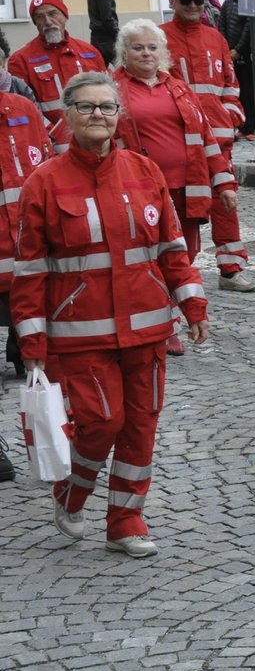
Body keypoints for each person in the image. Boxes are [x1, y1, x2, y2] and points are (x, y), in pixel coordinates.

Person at [13, 71, 209, 558]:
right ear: (67, 115)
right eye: (87, 107)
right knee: (102, 422)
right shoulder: (44, 183)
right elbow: (30, 272)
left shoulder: (144, 171)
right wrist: (32, 346)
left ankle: (125, 519)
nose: (98, 115)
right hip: (81, 336)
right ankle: (73, 492)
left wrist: (192, 301)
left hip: (147, 329)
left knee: (141, 425)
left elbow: (171, 247)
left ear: (119, 115)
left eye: (107, 107)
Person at [104, 20, 237, 355]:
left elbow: (206, 139)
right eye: (138, 47)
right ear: (124, 52)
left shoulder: (177, 86)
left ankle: (175, 315)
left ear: (162, 52)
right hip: (136, 190)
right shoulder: (112, 89)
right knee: (147, 259)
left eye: (152, 47)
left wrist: (222, 181)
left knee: (184, 256)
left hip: (187, 188)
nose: (146, 53)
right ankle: (163, 326)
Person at [162, 0, 255, 293]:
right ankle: (178, 271)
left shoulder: (216, 39)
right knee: (179, 205)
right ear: (172, 2)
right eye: (184, 1)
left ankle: (230, 269)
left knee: (224, 202)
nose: (191, 6)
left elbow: (231, 86)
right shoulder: (159, 39)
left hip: (218, 140)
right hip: (179, 142)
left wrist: (230, 118)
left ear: (205, 2)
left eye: (197, 1)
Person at [0, 70, 52, 480]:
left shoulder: (23, 110)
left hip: (28, 262)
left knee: (41, 351)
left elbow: (48, 173)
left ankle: (56, 439)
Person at [6, 0, 104, 128]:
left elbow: (108, 97)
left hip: (94, 131)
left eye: (53, 14)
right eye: (39, 16)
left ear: (65, 16)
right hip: (52, 141)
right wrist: (50, 134)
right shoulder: (21, 60)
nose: (47, 21)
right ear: (35, 23)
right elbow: (21, 108)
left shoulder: (90, 52)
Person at [219, 0, 255, 139]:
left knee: (250, 92)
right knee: (238, 93)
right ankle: (244, 125)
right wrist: (225, 47)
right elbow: (223, 24)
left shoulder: (248, 0)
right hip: (230, 54)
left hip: (244, 55)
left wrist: (238, 50)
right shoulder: (228, 0)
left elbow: (249, 27)